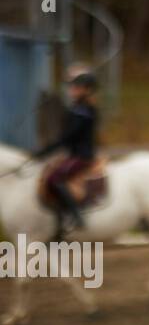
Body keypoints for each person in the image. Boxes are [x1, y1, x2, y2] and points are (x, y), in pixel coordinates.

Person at [33, 67, 101, 230]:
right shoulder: (79, 109)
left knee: (54, 179)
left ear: (86, 90)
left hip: (81, 156)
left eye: (77, 87)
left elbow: (67, 138)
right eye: (72, 86)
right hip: (73, 154)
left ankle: (76, 216)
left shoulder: (83, 111)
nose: (72, 90)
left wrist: (44, 152)